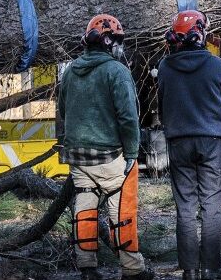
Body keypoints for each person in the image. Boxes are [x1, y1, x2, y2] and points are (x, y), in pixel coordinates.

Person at [57, 14, 153, 280]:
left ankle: (87, 267)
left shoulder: (70, 71)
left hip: (77, 155)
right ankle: (132, 269)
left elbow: (63, 110)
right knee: (122, 206)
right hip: (109, 155)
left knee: (85, 204)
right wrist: (132, 154)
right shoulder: (117, 71)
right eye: (119, 42)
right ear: (111, 44)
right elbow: (128, 117)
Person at [157, 10, 221, 280]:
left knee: (186, 206)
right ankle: (211, 267)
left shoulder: (165, 67)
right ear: (201, 34)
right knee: (211, 204)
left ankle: (189, 270)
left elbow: (161, 104)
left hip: (179, 141)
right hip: (212, 141)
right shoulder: (217, 65)